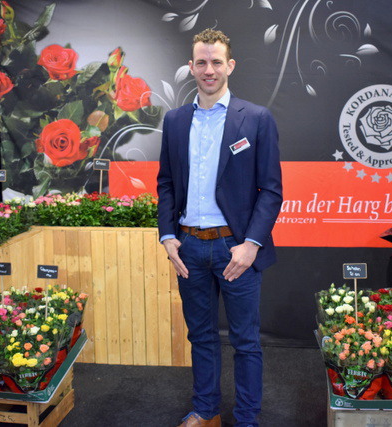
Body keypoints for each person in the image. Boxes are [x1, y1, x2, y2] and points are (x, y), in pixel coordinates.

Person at [157, 28, 283, 427]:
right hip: (189, 248)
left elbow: (271, 191)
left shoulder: (257, 118)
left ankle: (246, 419)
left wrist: (251, 245)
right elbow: (166, 183)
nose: (208, 70)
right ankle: (206, 410)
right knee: (201, 337)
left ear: (230, 65)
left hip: (236, 249)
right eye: (201, 62)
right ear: (191, 67)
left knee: (245, 341)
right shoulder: (175, 120)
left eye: (216, 62)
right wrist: (168, 236)